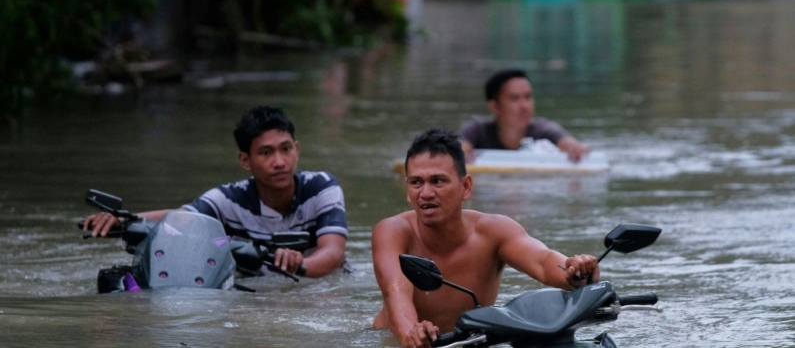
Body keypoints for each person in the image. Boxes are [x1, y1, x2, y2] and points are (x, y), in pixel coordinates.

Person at [371, 128, 600, 348]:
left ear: (466, 187)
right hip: (393, 342)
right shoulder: (392, 231)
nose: (426, 193)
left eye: (438, 181)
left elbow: (542, 260)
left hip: (469, 342)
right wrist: (412, 333)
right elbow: (395, 291)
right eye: (416, 182)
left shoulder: (495, 231)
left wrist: (576, 271)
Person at [82, 105, 348, 278]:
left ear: (297, 149)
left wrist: (298, 264)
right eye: (266, 153)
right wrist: (122, 221)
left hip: (318, 287)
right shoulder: (228, 199)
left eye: (286, 149)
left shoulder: (322, 187)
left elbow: (333, 253)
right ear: (245, 160)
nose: (279, 162)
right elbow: (181, 218)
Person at [458, 68, 589, 162]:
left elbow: (569, 144)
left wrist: (577, 149)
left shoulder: (543, 130)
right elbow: (458, 150)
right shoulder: (477, 130)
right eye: (514, 99)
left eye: (528, 97)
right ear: (494, 106)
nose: (525, 106)